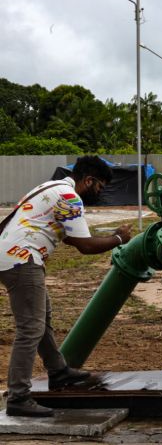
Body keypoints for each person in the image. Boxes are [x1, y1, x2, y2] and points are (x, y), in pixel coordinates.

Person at [0, 156, 132, 417]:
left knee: (42, 319)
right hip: (21, 259)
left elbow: (70, 238)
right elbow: (84, 246)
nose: (100, 192)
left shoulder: (50, 187)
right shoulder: (70, 197)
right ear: (89, 180)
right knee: (31, 329)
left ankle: (59, 372)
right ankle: (18, 397)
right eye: (100, 187)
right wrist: (118, 238)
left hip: (13, 256)